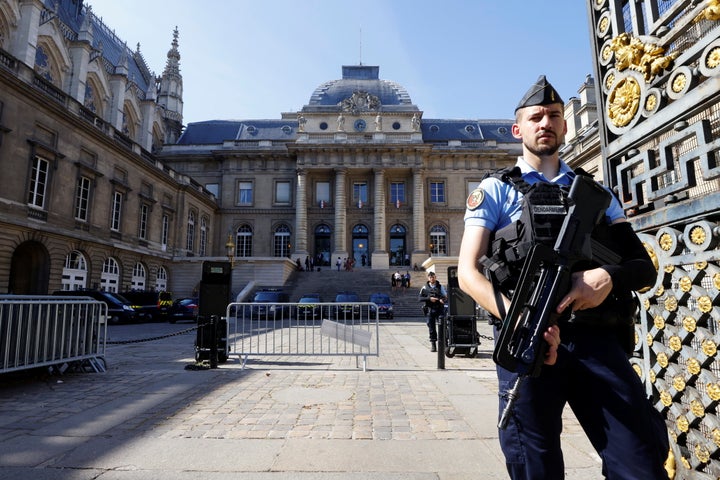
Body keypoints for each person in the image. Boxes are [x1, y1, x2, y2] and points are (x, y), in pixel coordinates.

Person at [457, 75, 669, 479]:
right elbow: (468, 273)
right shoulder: (495, 190)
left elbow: (641, 266)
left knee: (640, 462)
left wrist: (606, 278)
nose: (545, 122)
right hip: (527, 340)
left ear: (565, 125)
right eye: (535, 117)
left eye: (554, 115)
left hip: (596, 339)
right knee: (535, 466)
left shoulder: (597, 193)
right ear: (518, 129)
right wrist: (520, 322)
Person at [417, 271, 447, 352]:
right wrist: (429, 299)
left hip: (439, 309)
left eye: (433, 277)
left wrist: (442, 300)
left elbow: (445, 296)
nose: (432, 278)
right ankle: (433, 345)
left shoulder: (440, 287)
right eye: (430, 277)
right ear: (428, 278)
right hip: (430, 310)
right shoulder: (425, 287)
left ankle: (444, 344)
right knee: (431, 328)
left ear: (435, 277)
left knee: (442, 327)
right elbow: (419, 298)